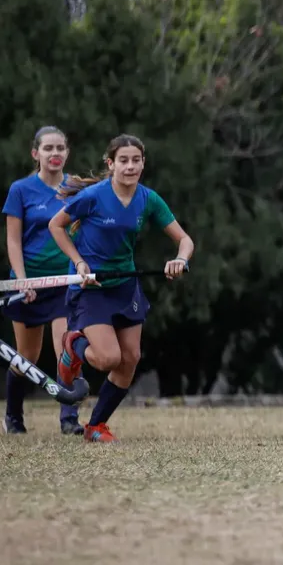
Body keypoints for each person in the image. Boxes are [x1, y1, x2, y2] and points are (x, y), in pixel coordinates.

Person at [49, 134, 194, 443]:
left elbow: (184, 240)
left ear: (143, 163)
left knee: (130, 359)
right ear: (111, 164)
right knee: (107, 359)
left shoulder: (148, 199)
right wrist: (78, 262)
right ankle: (73, 348)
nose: (130, 166)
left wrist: (180, 259)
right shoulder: (94, 196)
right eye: (124, 161)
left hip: (125, 285)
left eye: (136, 160)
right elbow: (56, 226)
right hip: (92, 286)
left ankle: (96, 426)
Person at [0, 126, 84, 435]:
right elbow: (13, 241)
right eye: (48, 148)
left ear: (67, 153)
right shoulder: (20, 190)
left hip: (64, 281)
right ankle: (13, 417)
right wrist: (23, 282)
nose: (55, 153)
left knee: (67, 349)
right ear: (36, 153)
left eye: (60, 148)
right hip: (30, 285)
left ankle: (69, 419)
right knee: (27, 357)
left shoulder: (76, 188)